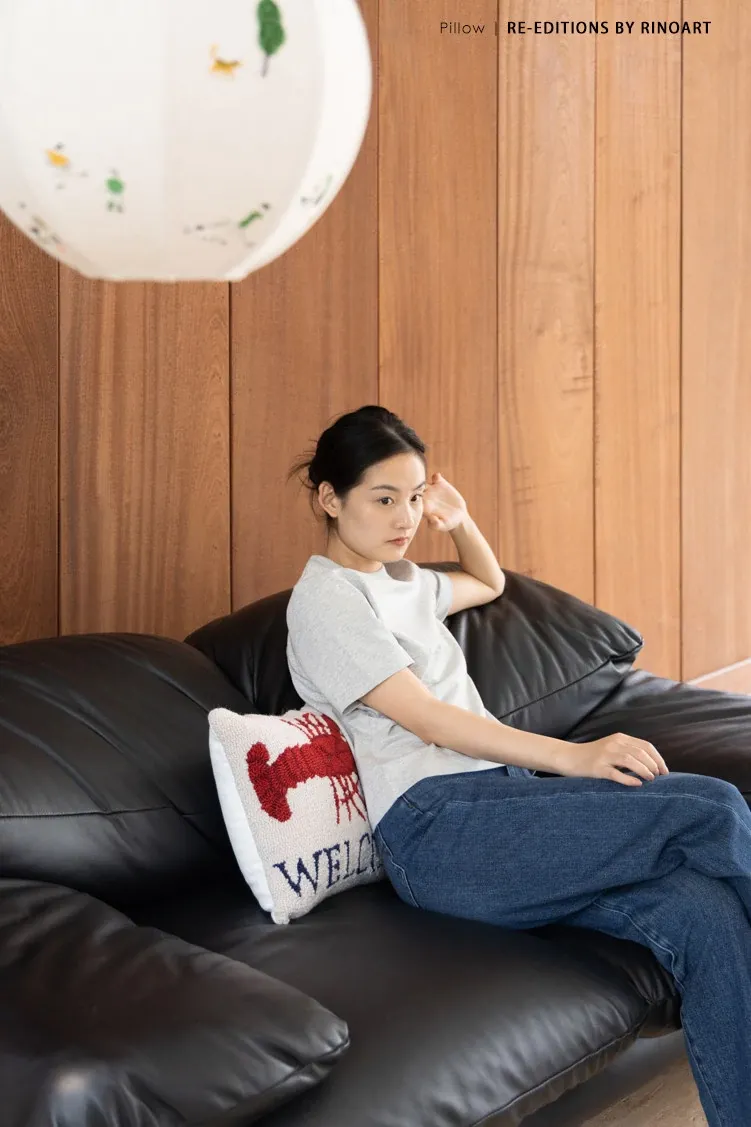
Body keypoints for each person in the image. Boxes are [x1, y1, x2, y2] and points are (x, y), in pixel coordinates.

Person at [285, 404, 751, 1127]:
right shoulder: (325, 603)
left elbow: (489, 581)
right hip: (437, 831)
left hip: (505, 806)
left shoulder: (406, 581)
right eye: (383, 499)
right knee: (710, 806)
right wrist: (577, 757)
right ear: (328, 498)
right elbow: (429, 719)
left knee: (703, 913)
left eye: (413, 497)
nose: (405, 517)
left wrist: (459, 520)